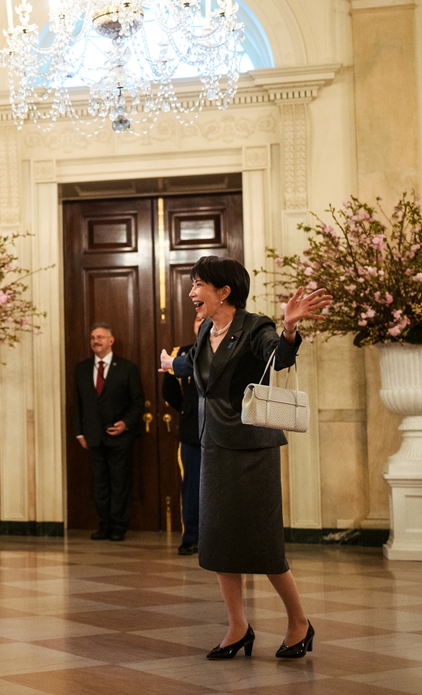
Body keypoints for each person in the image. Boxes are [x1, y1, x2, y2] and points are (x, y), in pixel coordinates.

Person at [159, 256, 331, 660]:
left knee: (264, 545)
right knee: (218, 543)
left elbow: (280, 357)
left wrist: (289, 328)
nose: (190, 293)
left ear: (224, 291)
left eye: (198, 284)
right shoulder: (205, 329)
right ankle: (238, 627)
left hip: (253, 450)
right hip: (213, 448)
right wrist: (172, 363)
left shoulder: (256, 327)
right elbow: (197, 365)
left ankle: (299, 623)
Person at [72, 323, 144, 542]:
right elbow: (77, 404)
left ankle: (118, 526)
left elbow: (138, 402)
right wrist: (79, 433)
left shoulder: (127, 368)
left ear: (111, 341)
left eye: (100, 337)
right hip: (93, 437)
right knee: (100, 484)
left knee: (120, 483)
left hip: (120, 437)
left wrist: (125, 423)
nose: (96, 341)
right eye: (93, 337)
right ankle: (103, 525)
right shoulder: (82, 368)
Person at [163, 312, 206, 556]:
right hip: (191, 431)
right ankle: (191, 537)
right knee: (191, 486)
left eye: (205, 319)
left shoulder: (227, 348)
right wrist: (187, 409)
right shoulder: (180, 352)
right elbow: (169, 392)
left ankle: (219, 537)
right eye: (197, 319)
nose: (201, 323)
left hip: (222, 430)